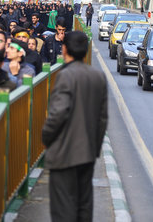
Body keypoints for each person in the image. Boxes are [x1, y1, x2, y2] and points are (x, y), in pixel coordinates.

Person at [42, 31, 107, 222]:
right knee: (83, 205)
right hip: (87, 152)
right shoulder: (97, 76)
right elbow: (102, 118)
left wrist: (46, 137)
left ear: (64, 49)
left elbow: (58, 114)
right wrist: (94, 148)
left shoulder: (65, 75)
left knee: (64, 208)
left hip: (64, 153)